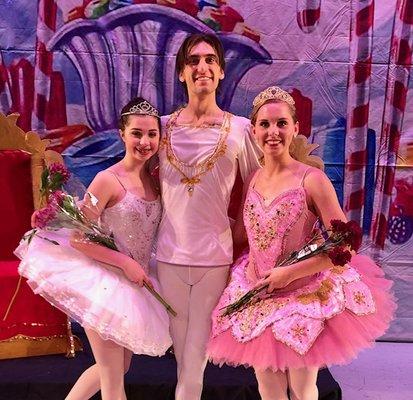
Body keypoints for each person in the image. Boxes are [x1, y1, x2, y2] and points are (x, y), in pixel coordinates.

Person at [207, 86, 396, 400]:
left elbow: (346, 244)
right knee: (268, 387)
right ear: (253, 130)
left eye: (281, 123)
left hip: (301, 296)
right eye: (265, 124)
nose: (273, 132)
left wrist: (290, 273)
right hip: (257, 291)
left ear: (296, 128)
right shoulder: (253, 177)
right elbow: (244, 234)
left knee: (302, 389)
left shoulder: (311, 180)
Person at [16, 97, 172, 400]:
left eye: (152, 134)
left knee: (114, 369)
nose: (145, 141)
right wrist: (124, 263)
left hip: (134, 282)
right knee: (113, 380)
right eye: (137, 133)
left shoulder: (154, 182)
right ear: (122, 135)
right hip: (106, 283)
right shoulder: (106, 180)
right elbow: (79, 238)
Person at [156, 33, 262, 400]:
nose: (202, 67)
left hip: (214, 258)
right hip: (167, 257)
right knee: (181, 354)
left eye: (210, 60)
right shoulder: (162, 126)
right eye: (193, 60)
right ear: (182, 73)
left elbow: (257, 188)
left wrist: (239, 233)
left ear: (220, 72)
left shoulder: (240, 129)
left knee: (194, 359)